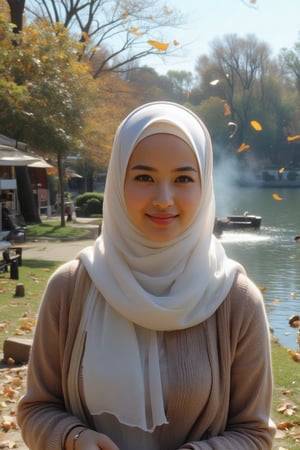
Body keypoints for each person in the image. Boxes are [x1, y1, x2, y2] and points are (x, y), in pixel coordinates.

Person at [17, 101, 275, 449]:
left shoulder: (235, 299)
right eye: (144, 177)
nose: (164, 199)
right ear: (118, 182)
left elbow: (255, 433)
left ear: (204, 186)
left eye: (183, 178)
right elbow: (37, 408)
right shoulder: (71, 287)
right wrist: (72, 439)